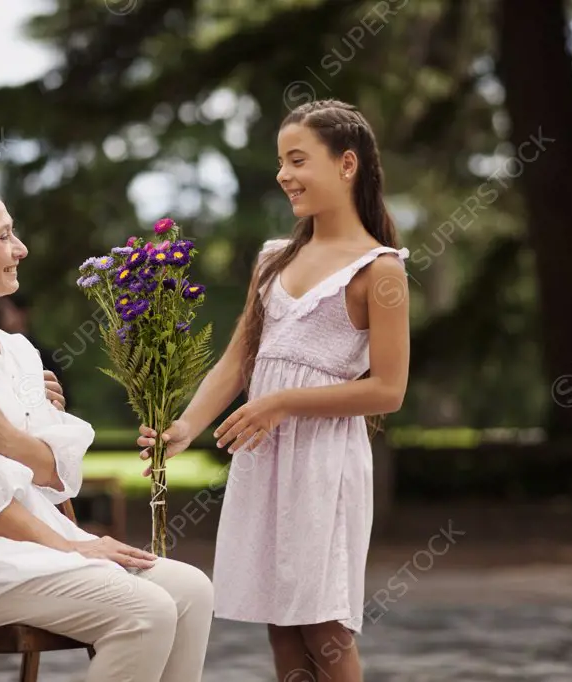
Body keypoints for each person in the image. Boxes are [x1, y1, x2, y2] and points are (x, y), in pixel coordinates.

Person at [0, 178, 214, 682]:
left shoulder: (17, 350)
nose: (21, 248)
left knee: (192, 590)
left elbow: (60, 471)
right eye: (3, 236)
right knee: (145, 611)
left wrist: (7, 440)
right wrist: (73, 546)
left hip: (32, 543)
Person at [137, 99, 411, 681]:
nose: (284, 174)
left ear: (346, 165)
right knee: (281, 623)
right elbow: (239, 359)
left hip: (324, 465)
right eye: (280, 162)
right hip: (267, 460)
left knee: (324, 625)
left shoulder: (380, 270)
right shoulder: (272, 260)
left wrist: (282, 402)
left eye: (297, 160)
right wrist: (185, 427)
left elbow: (388, 390)